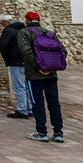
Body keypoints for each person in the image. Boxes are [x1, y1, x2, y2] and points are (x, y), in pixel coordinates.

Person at [17, 11, 66, 143]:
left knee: (37, 102)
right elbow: (63, 52)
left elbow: (27, 52)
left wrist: (39, 67)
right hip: (51, 75)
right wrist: (51, 68)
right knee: (54, 103)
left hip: (35, 75)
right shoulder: (50, 34)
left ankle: (41, 132)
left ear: (26, 21)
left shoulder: (24, 33)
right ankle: (58, 133)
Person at [0, 14, 31, 118]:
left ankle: (22, 110)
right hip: (25, 62)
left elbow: (2, 45)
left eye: (2, 23)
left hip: (15, 62)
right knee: (26, 87)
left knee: (18, 86)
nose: (2, 26)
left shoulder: (8, 31)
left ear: (5, 22)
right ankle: (30, 109)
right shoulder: (23, 30)